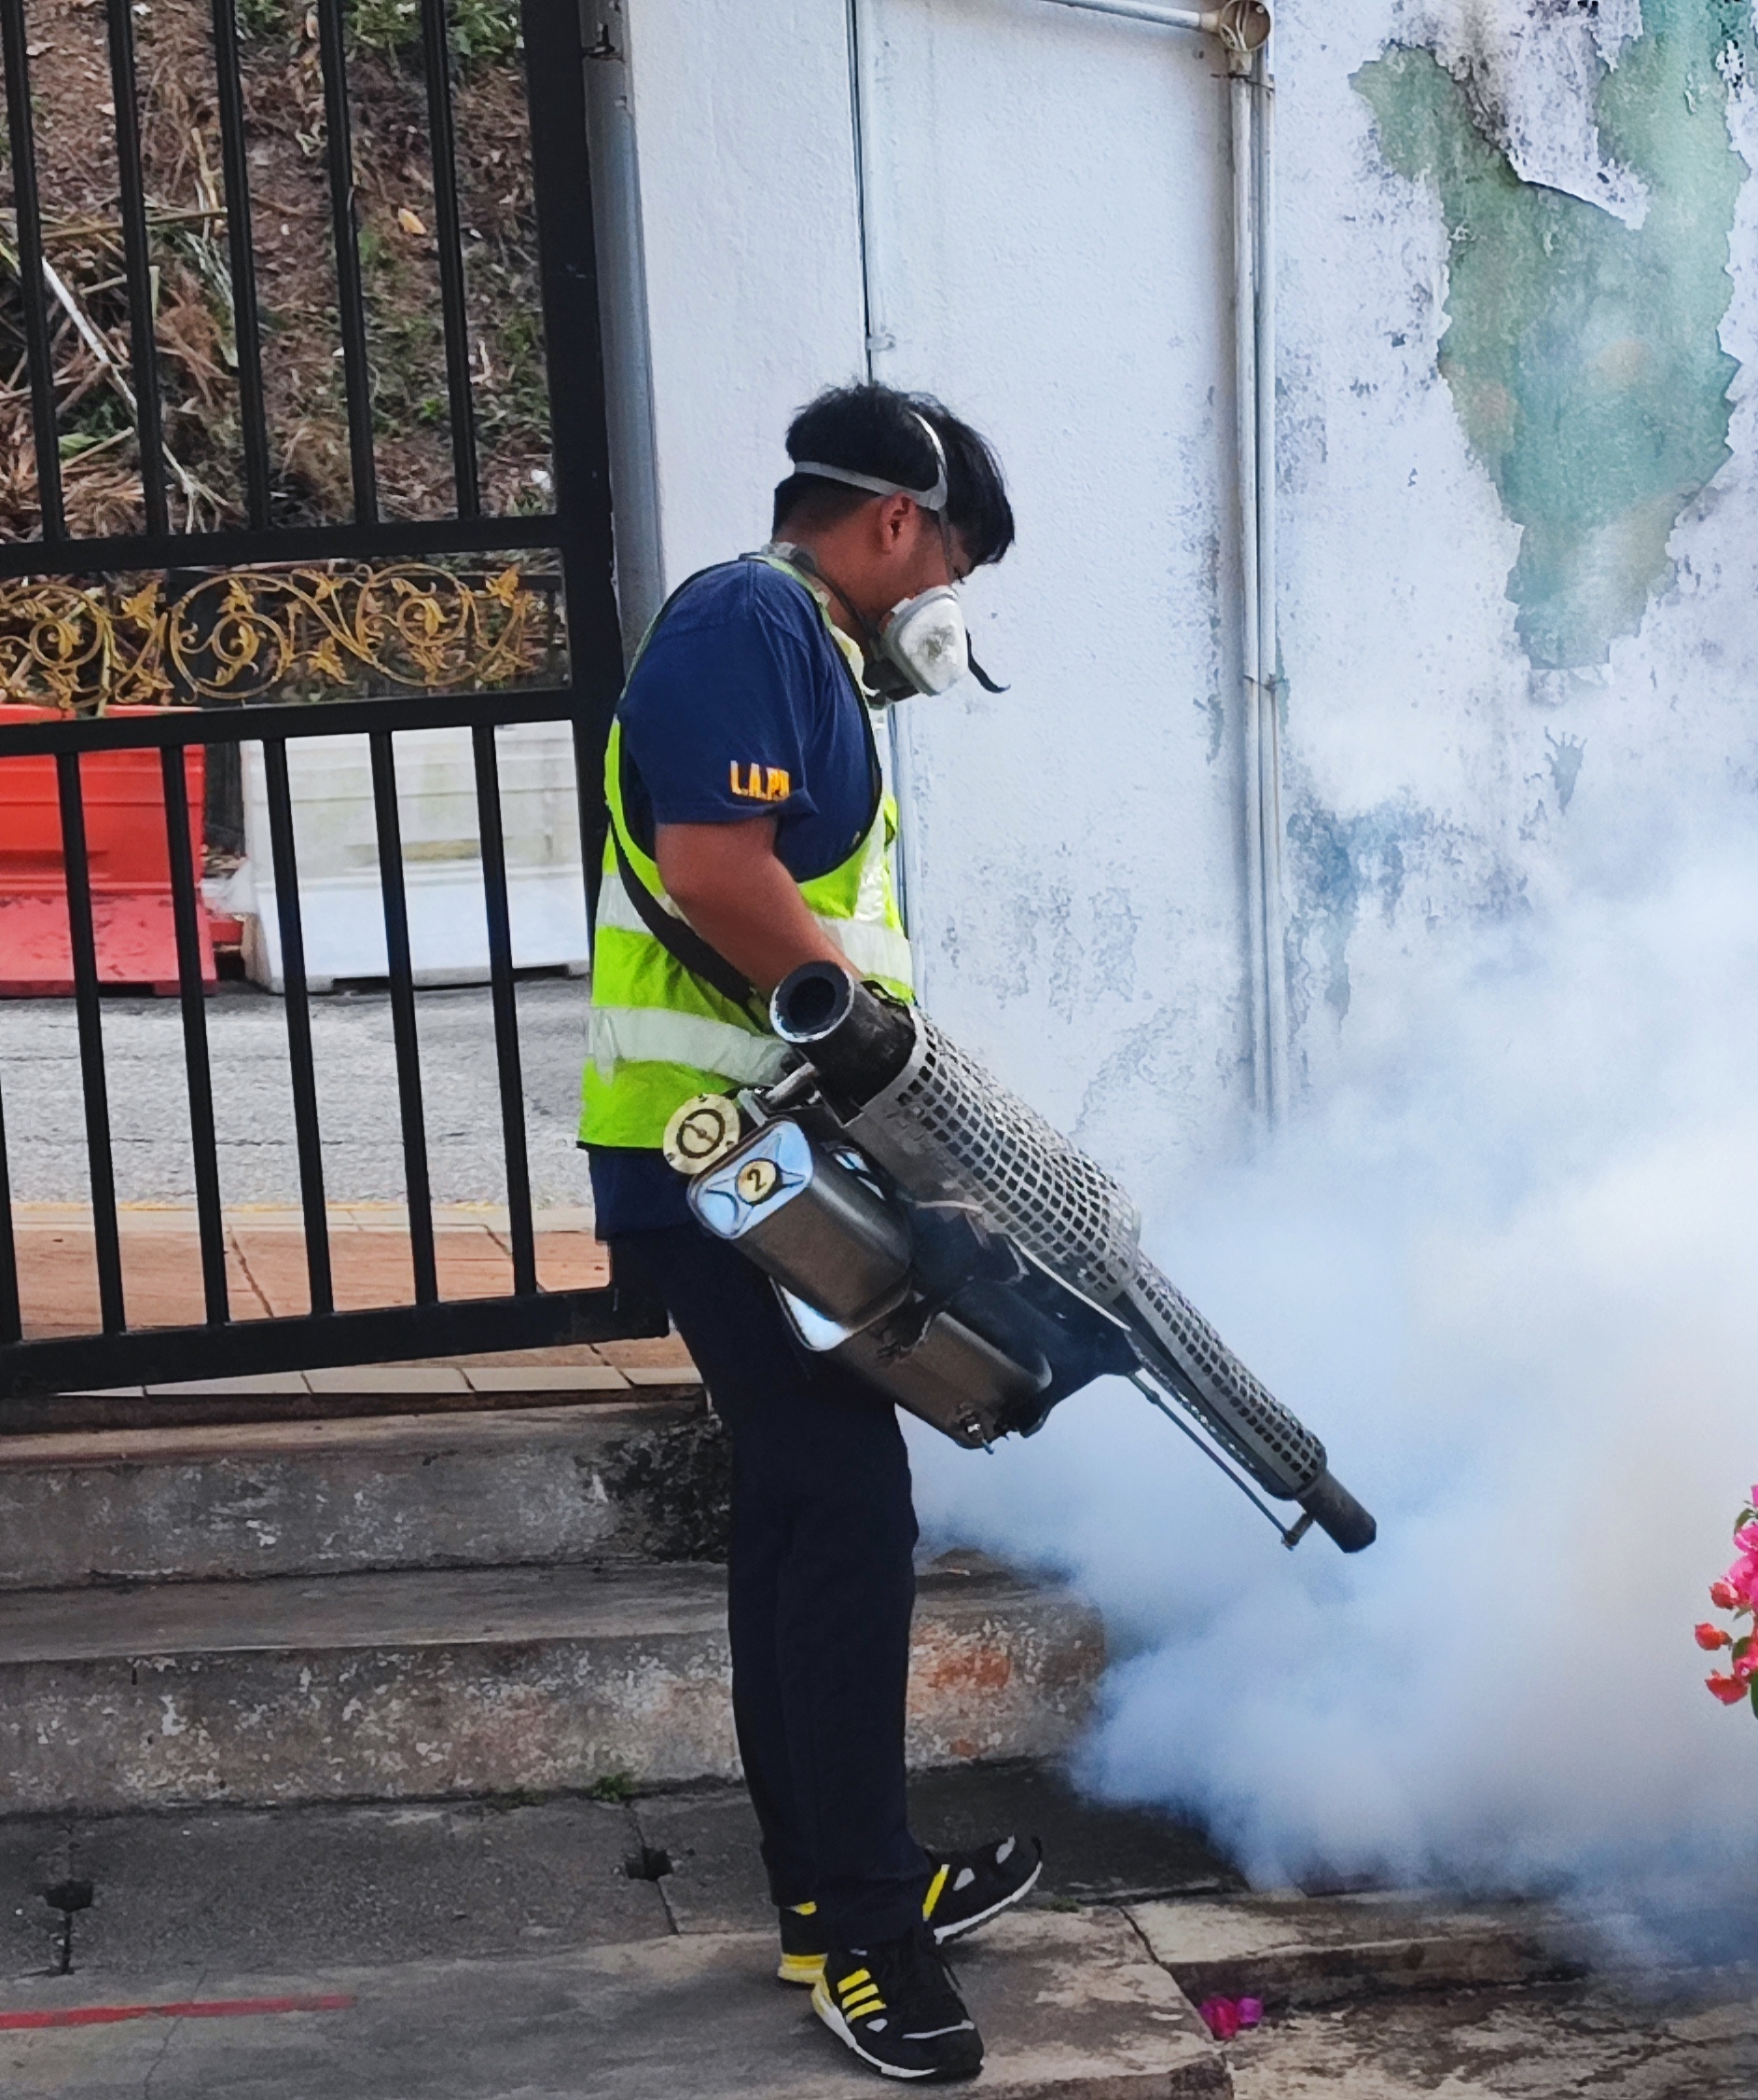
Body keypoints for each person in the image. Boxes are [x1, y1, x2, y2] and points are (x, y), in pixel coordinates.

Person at [580, 382, 1035, 2085]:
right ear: (899, 522)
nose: (946, 599)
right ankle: (864, 1928)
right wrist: (854, 1039)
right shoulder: (754, 615)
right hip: (738, 1158)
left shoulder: (805, 651)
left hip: (774, 1156)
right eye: (954, 560)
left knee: (802, 1507)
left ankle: (827, 1886)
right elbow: (712, 865)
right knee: (847, 1512)